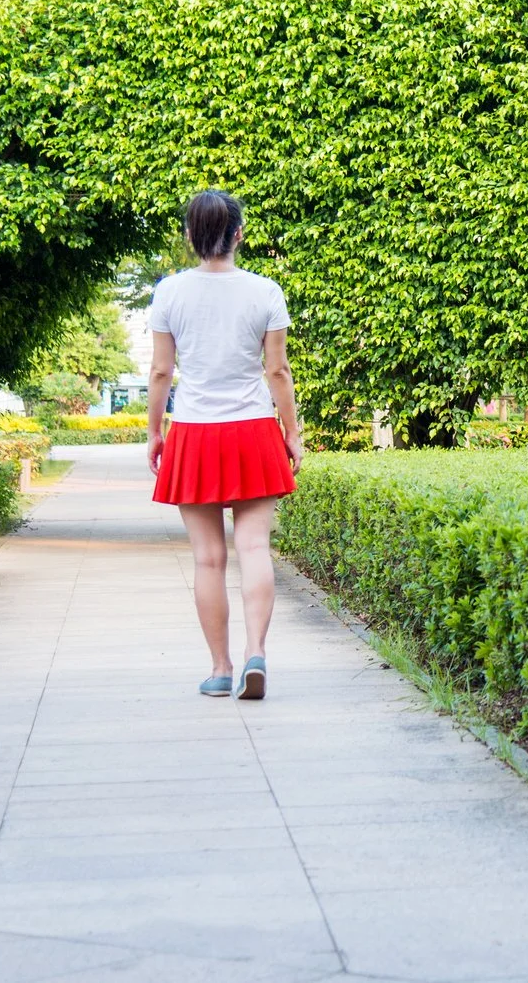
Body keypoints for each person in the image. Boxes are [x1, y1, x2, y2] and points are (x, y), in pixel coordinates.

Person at [147, 189, 305, 701]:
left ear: (190, 236)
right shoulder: (265, 291)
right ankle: (256, 653)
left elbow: (161, 371)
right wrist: (292, 433)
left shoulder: (169, 293)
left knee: (209, 559)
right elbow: (277, 371)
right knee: (254, 547)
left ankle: (220, 668)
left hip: (194, 430)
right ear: (239, 234)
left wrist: (154, 432)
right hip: (253, 429)